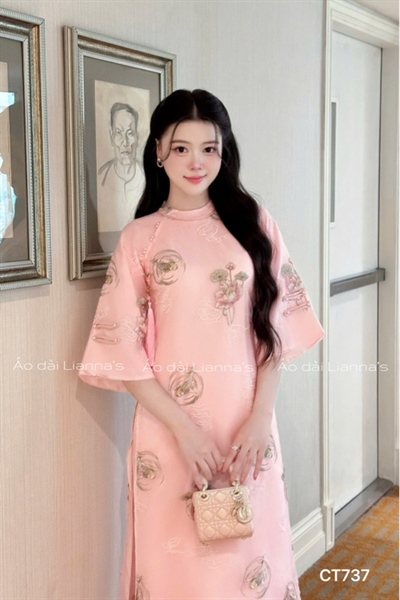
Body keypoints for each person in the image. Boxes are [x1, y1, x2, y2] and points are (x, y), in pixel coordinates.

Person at [79, 89, 324, 600]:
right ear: (158, 151)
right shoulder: (139, 239)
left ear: (224, 151)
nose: (197, 162)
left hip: (246, 434)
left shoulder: (254, 223)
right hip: (169, 436)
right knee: (177, 574)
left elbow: (274, 328)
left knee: (251, 566)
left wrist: (260, 417)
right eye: (181, 147)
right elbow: (124, 355)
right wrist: (185, 433)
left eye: (209, 148)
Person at [97, 102, 145, 251]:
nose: (125, 142)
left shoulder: (149, 180)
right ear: (111, 137)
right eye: (119, 133)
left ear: (137, 137)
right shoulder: (100, 179)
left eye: (130, 133)